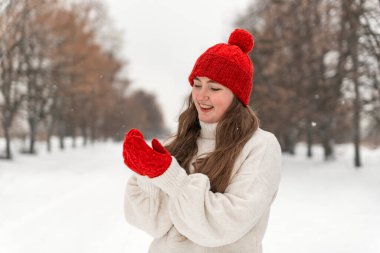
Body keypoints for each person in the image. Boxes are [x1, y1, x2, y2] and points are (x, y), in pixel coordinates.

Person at [122, 28, 282, 253]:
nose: (201, 95)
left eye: (214, 88)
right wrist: (147, 175)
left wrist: (170, 178)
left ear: (237, 97)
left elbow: (223, 224)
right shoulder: (182, 140)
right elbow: (153, 224)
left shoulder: (260, 147)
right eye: (197, 84)